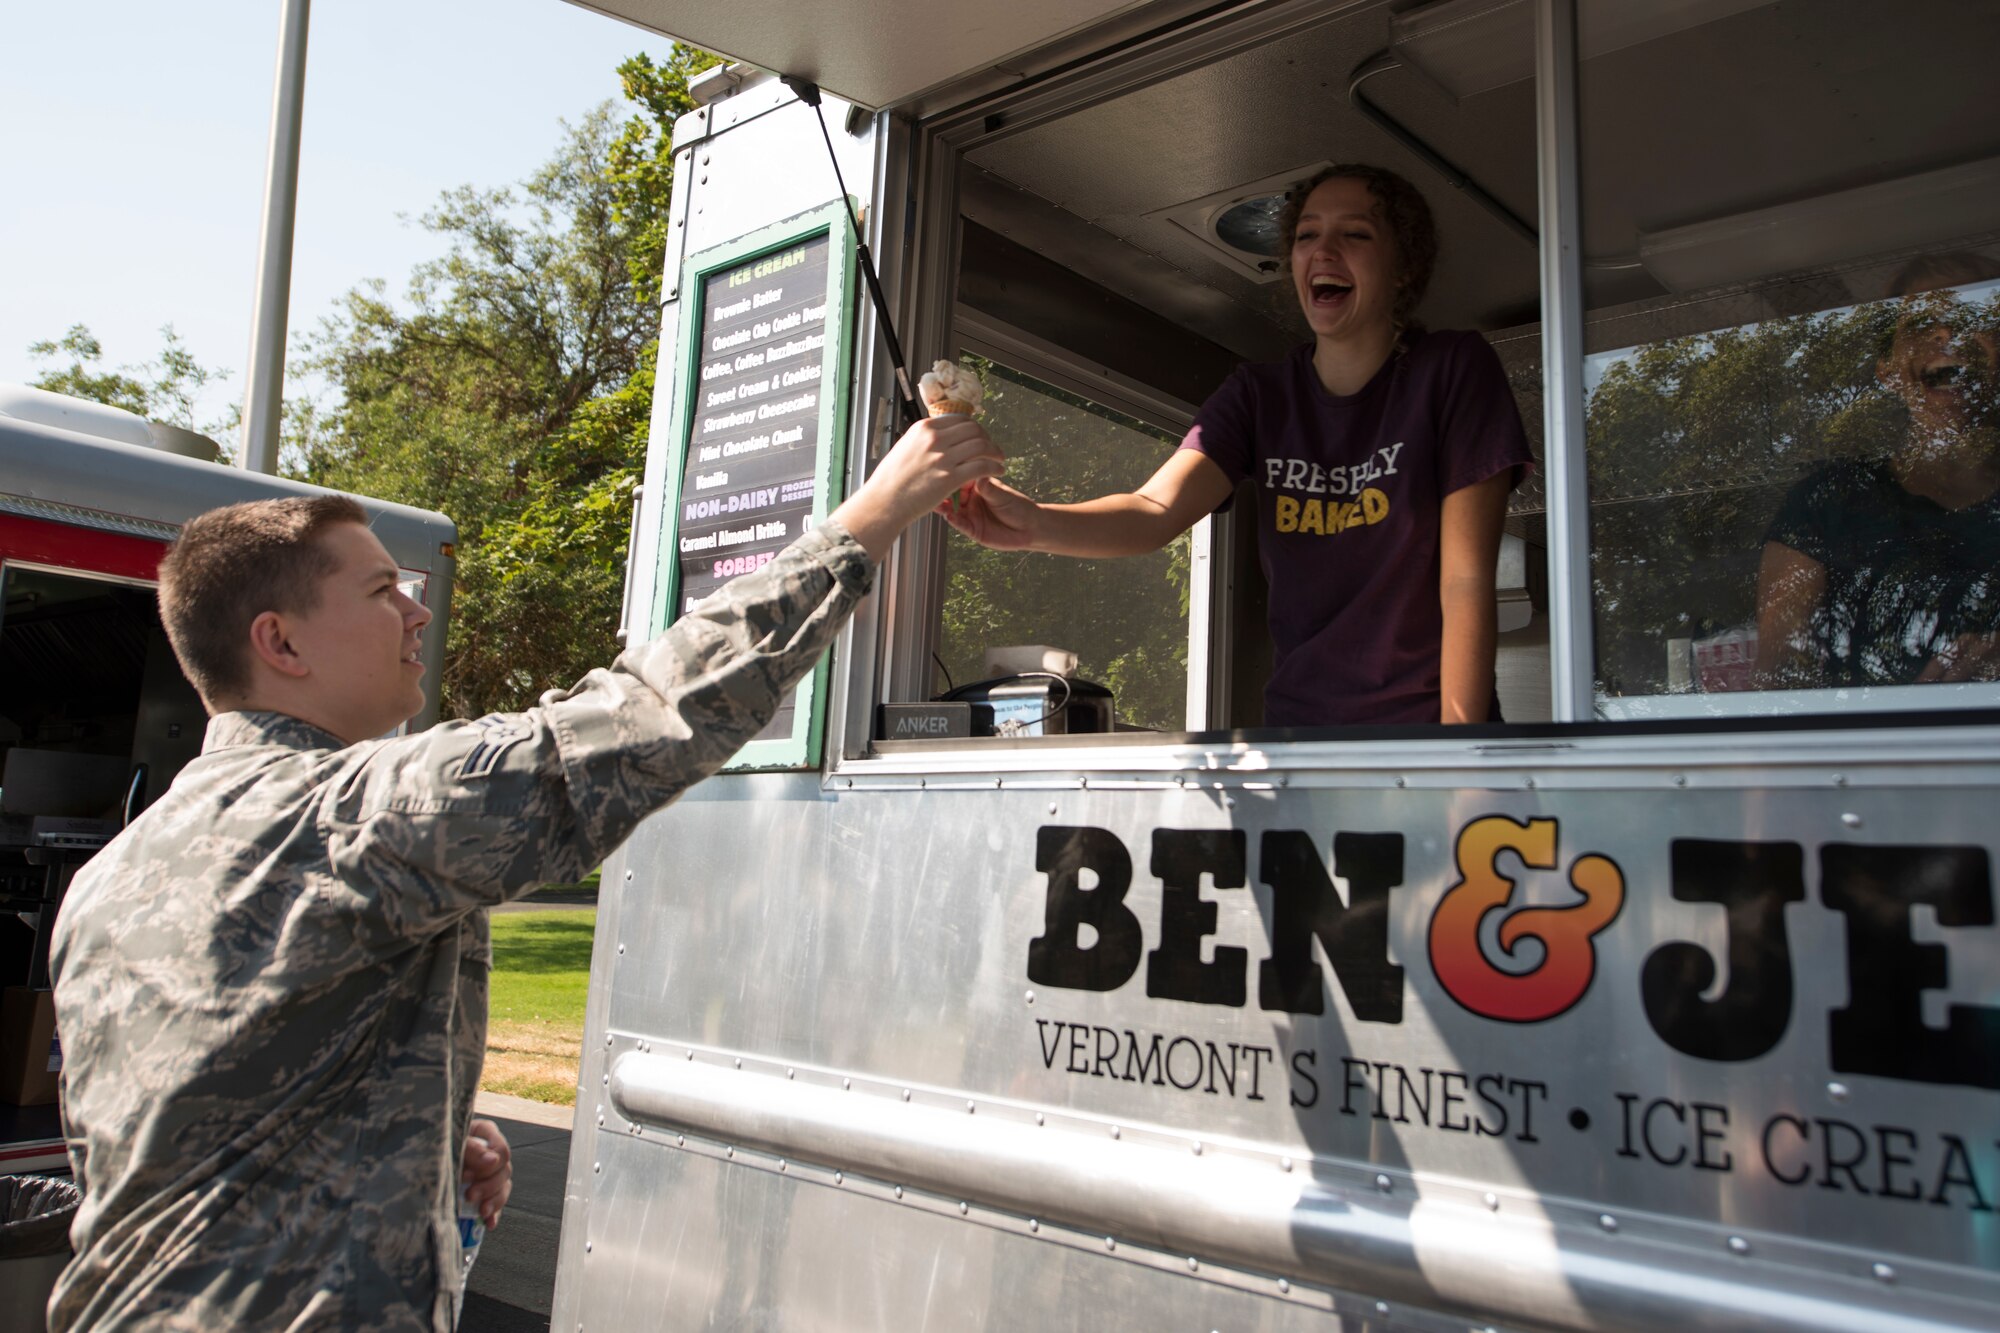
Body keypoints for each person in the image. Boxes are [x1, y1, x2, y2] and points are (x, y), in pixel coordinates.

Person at [47, 414, 1003, 1332]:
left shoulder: (115, 870)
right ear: (280, 642)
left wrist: (401, 1133)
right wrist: (865, 520)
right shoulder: (345, 814)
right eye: (383, 591)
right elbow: (644, 718)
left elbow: (166, 1126)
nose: (418, 609)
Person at [942, 164, 1532, 726]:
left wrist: (1464, 754)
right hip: (1302, 738)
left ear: (1404, 267)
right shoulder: (1258, 395)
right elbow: (1153, 512)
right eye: (1306, 236)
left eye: (1355, 233)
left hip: (1430, 733)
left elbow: (1465, 582)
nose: (1323, 252)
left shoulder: (1453, 369)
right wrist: (1035, 523)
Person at [1755, 254, 2000, 688]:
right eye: (1923, 325)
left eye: (1972, 315)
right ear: (1887, 371)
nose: (1946, 333)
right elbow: (1779, 688)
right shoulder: (1827, 505)